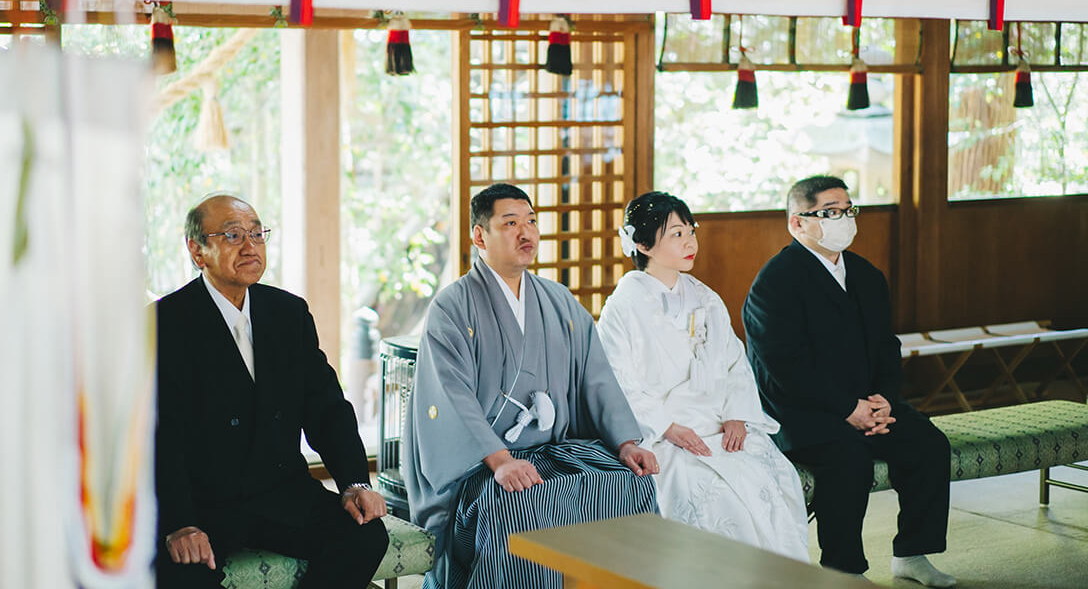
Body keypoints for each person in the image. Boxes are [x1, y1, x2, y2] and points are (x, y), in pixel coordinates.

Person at [403, 183, 660, 589]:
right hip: (483, 464)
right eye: (510, 223)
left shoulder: (558, 300)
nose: (526, 233)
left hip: (554, 450)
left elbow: (595, 376)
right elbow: (452, 396)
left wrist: (626, 442)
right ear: (479, 236)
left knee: (627, 481)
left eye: (531, 222)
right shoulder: (452, 307)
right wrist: (501, 460)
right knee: (518, 504)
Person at [155, 194, 388, 589]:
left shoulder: (288, 313)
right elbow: (159, 435)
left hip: (280, 492)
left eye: (257, 234)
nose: (250, 247)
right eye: (233, 235)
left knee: (365, 536)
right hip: (202, 503)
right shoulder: (165, 323)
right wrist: (180, 523)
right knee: (179, 573)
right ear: (197, 250)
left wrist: (354, 482)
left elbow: (327, 408)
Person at [743, 175, 955, 587]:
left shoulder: (865, 274)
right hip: (800, 411)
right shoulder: (775, 282)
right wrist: (847, 409)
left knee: (928, 444)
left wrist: (884, 400)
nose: (843, 219)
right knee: (848, 460)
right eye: (829, 212)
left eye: (847, 210)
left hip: (868, 403)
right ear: (797, 223)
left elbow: (886, 347)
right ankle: (844, 570)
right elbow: (783, 368)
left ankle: (912, 553)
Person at [597, 191, 809, 561]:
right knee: (718, 497)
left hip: (719, 423)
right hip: (665, 436)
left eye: (691, 231)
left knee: (775, 476)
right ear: (643, 244)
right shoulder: (622, 307)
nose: (690, 242)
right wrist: (667, 427)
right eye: (676, 234)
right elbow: (619, 380)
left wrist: (737, 414)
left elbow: (734, 361)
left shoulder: (705, 297)